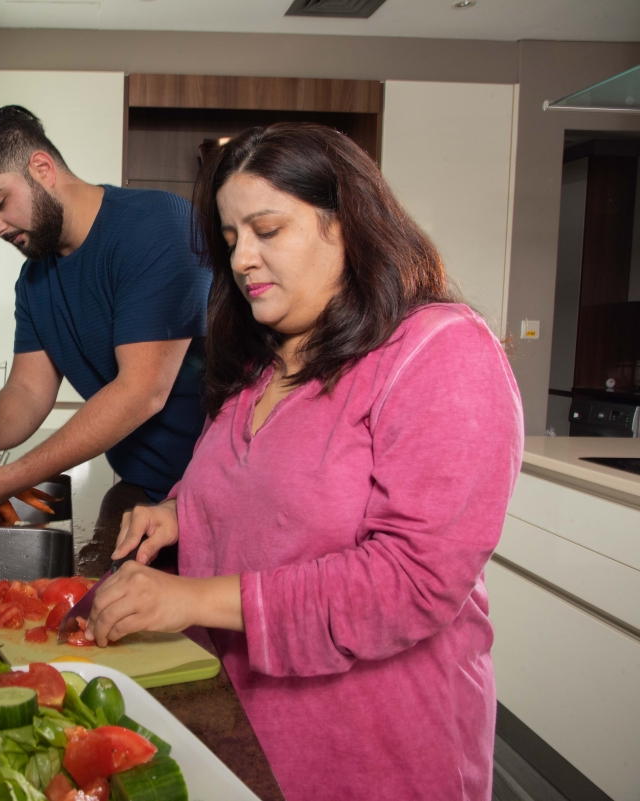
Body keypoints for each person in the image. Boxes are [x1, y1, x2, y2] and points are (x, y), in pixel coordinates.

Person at [85, 123, 523, 800]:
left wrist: (191, 597)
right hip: (244, 731)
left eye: (267, 229)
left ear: (345, 224)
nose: (242, 260)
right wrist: (182, 510)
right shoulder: (267, 361)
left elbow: (409, 580)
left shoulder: (442, 351)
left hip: (374, 757)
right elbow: (263, 484)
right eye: (231, 240)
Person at [0, 106, 211, 521]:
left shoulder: (158, 226)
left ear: (41, 168)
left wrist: (13, 477)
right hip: (140, 492)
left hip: (216, 497)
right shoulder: (33, 280)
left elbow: (141, 392)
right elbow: (27, 393)